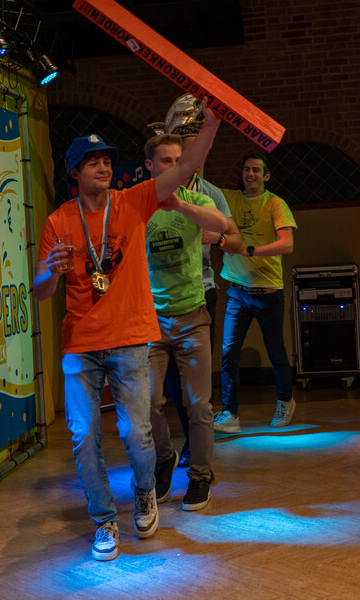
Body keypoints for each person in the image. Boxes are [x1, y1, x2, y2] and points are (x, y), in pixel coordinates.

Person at [33, 102, 221, 561]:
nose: (104, 167)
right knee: (83, 437)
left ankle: (144, 494)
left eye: (107, 161)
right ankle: (104, 520)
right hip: (81, 346)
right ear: (75, 172)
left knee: (137, 433)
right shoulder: (58, 221)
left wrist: (213, 121)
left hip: (132, 339)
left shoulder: (133, 201)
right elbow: (39, 291)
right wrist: (51, 272)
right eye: (93, 162)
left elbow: (188, 167)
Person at [148, 94, 242, 467]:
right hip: (158, 304)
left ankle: (196, 451)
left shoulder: (208, 194)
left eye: (192, 149)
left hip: (200, 292)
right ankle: (184, 442)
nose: (187, 157)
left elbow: (235, 240)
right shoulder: (149, 196)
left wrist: (213, 237)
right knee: (167, 384)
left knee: (195, 388)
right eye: (177, 152)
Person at [143, 132, 227, 512]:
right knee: (148, 403)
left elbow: (221, 224)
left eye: (179, 160)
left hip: (193, 317)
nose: (174, 167)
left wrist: (180, 204)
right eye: (166, 161)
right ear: (150, 166)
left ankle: (200, 476)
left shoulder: (196, 199)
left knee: (199, 406)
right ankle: (164, 459)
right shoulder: (140, 205)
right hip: (151, 321)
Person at [214, 154, 298, 433]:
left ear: (266, 176)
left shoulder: (275, 204)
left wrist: (251, 250)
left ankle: (285, 400)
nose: (250, 174)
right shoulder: (231, 199)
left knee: (276, 352)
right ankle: (230, 413)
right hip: (237, 292)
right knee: (228, 352)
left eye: (256, 170)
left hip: (268, 292)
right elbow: (198, 183)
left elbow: (287, 244)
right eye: (246, 169)